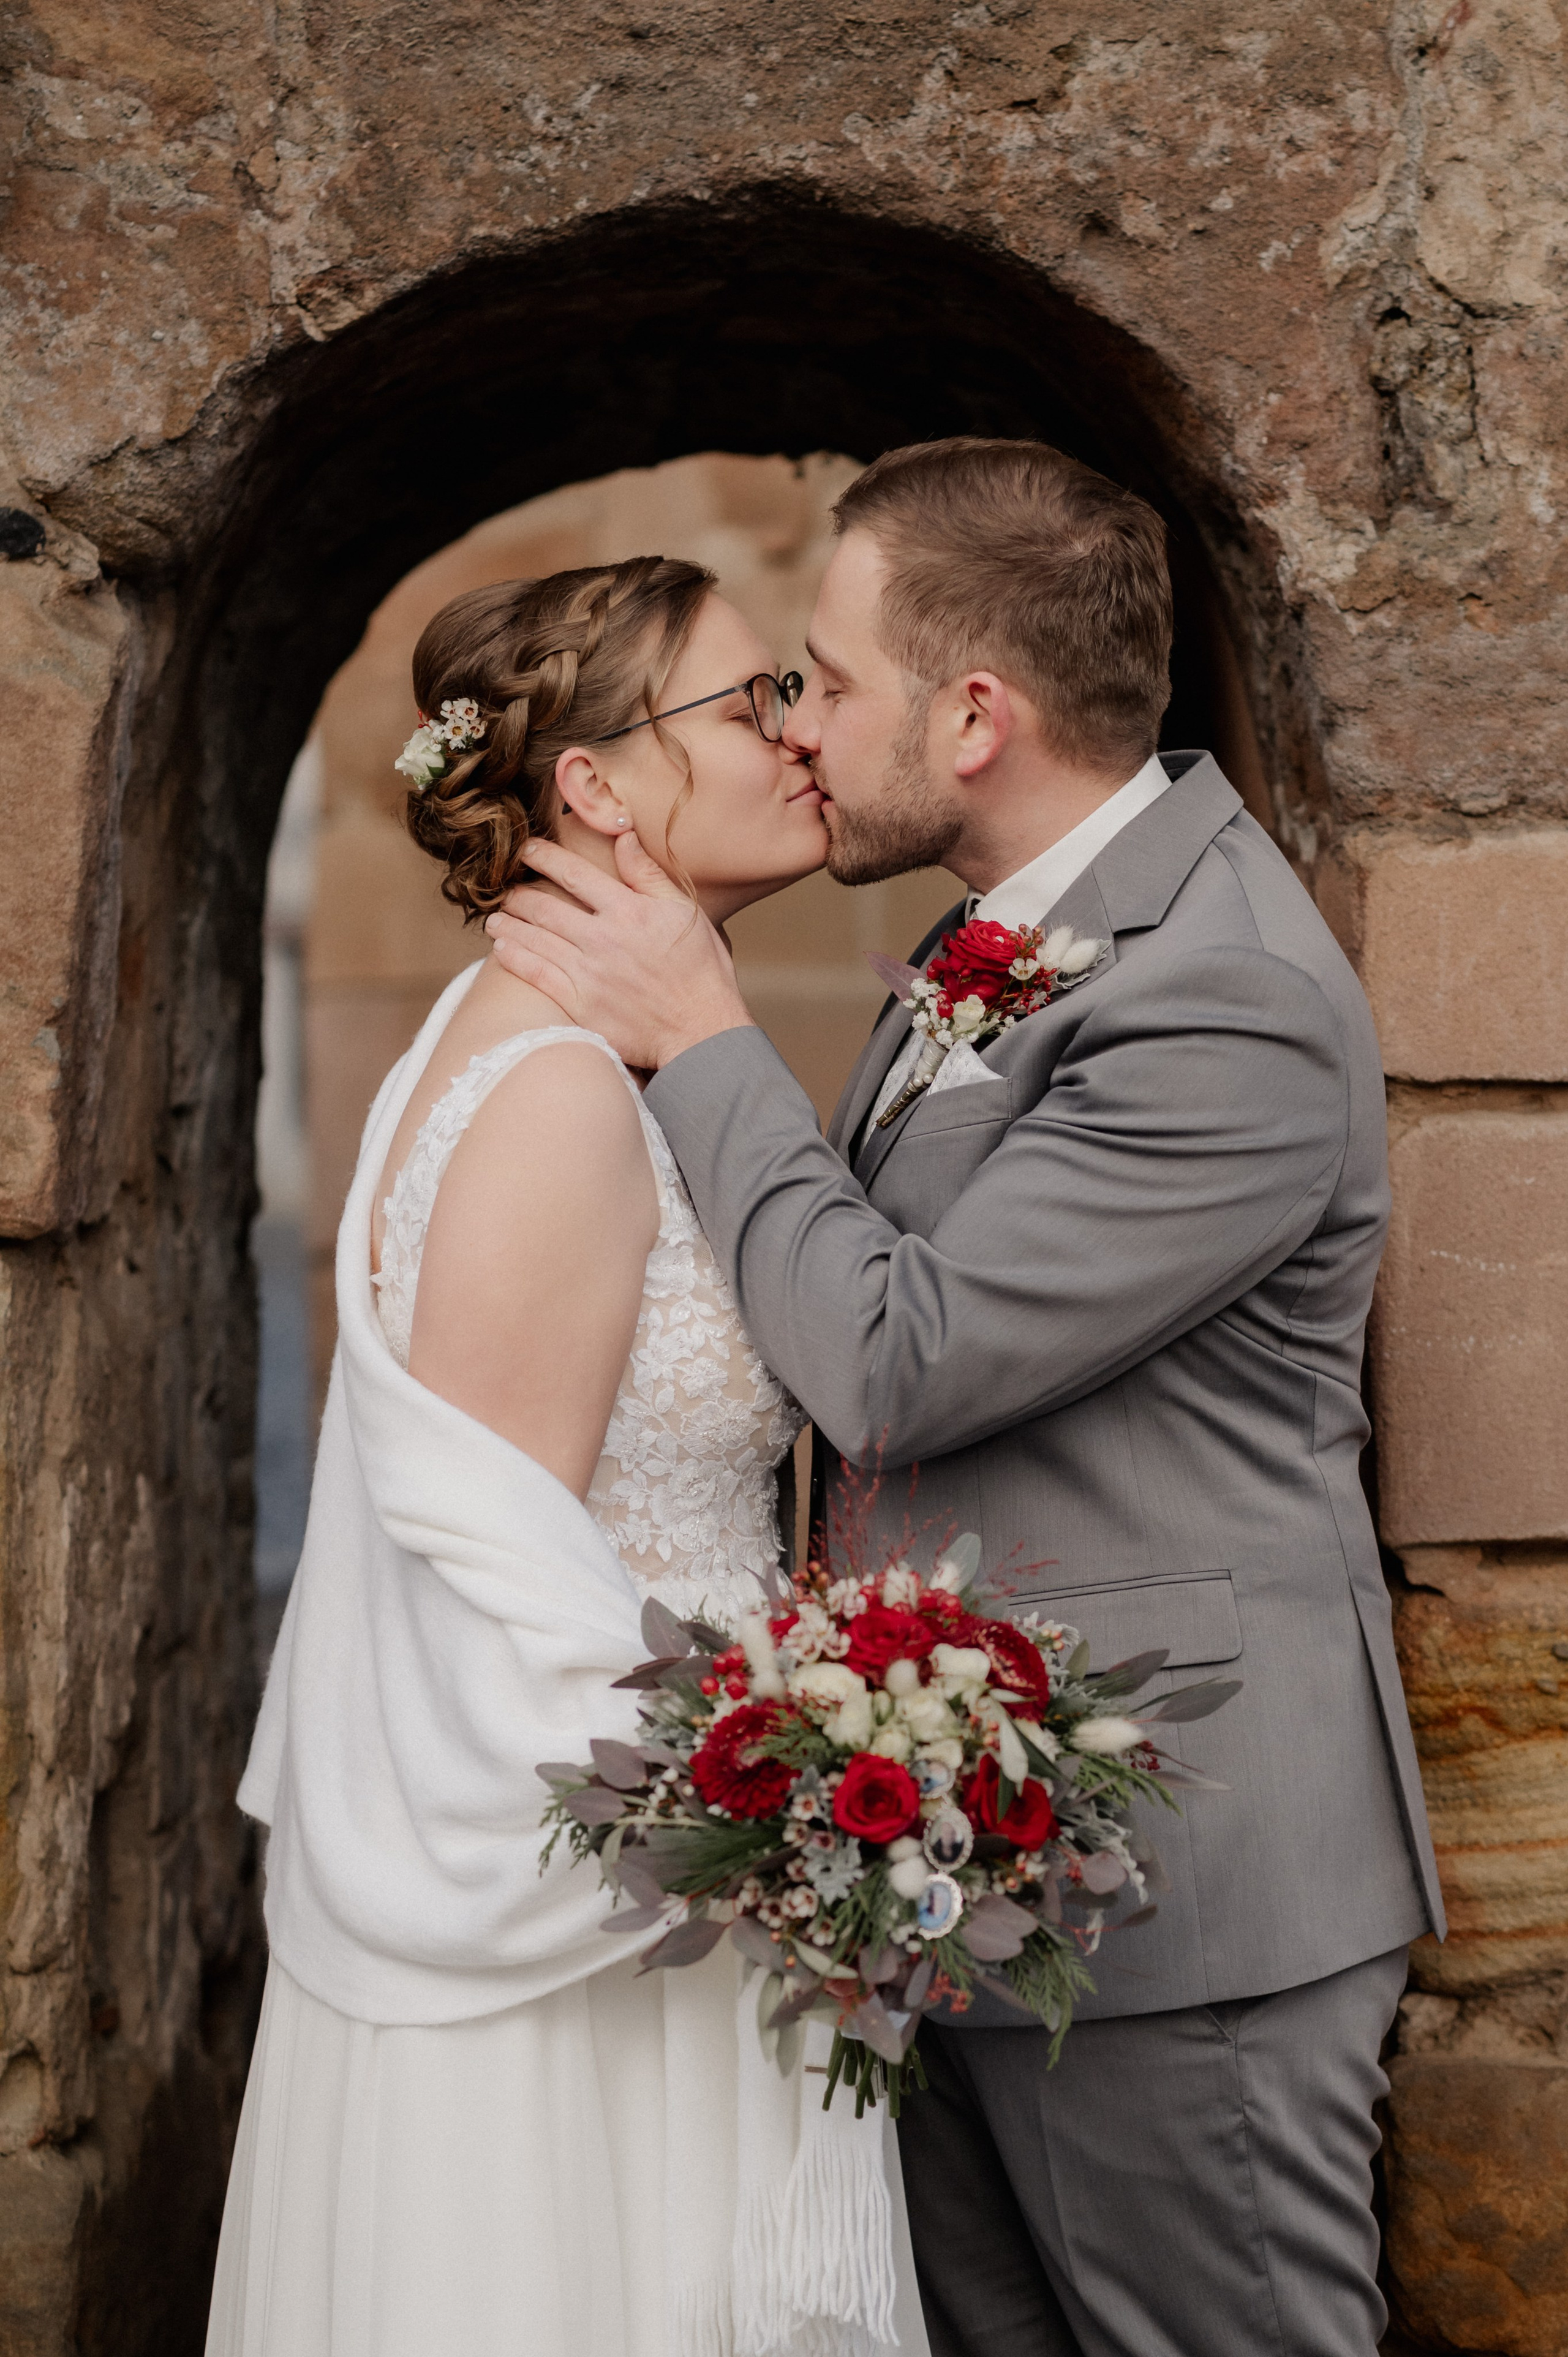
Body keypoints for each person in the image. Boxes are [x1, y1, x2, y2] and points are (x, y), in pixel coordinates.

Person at [484, 438, 1446, 2357]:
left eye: (827, 683)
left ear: (978, 712)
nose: (800, 729)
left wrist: (697, 1034)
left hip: (1185, 1900)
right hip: (970, 1866)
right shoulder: (1010, 929)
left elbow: (898, 1359)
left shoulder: (1222, 994)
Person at [208, 558, 925, 2357]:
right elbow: (497, 1571)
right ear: (600, 786)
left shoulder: (580, 1054)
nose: (794, 733)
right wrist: (779, 1805)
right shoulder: (553, 1099)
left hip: (665, 1843)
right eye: (751, 698)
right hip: (607, 1915)